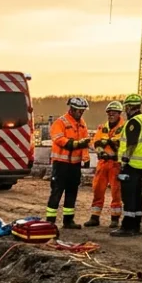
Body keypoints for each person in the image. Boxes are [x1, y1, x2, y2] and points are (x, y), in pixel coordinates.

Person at [112, 93, 142, 238]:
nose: (125, 110)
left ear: (130, 107)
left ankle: (127, 226)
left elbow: (131, 143)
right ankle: (136, 224)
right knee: (137, 195)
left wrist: (124, 161)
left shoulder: (133, 122)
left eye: (126, 107)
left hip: (131, 164)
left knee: (128, 196)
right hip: (141, 164)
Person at [47, 97, 91, 229]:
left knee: (72, 191)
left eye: (83, 111)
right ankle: (50, 221)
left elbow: (85, 142)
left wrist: (86, 158)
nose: (81, 113)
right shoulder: (60, 122)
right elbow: (58, 139)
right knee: (57, 191)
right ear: (71, 109)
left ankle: (68, 220)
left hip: (74, 165)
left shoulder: (82, 123)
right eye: (79, 110)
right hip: (61, 164)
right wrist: (74, 144)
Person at [86, 101, 125, 228]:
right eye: (109, 113)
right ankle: (94, 217)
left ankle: (115, 219)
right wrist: (100, 150)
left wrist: (108, 143)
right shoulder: (103, 127)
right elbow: (96, 142)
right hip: (103, 163)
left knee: (116, 192)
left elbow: (120, 144)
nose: (111, 115)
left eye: (113, 113)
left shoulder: (124, 127)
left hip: (115, 163)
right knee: (97, 189)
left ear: (119, 114)